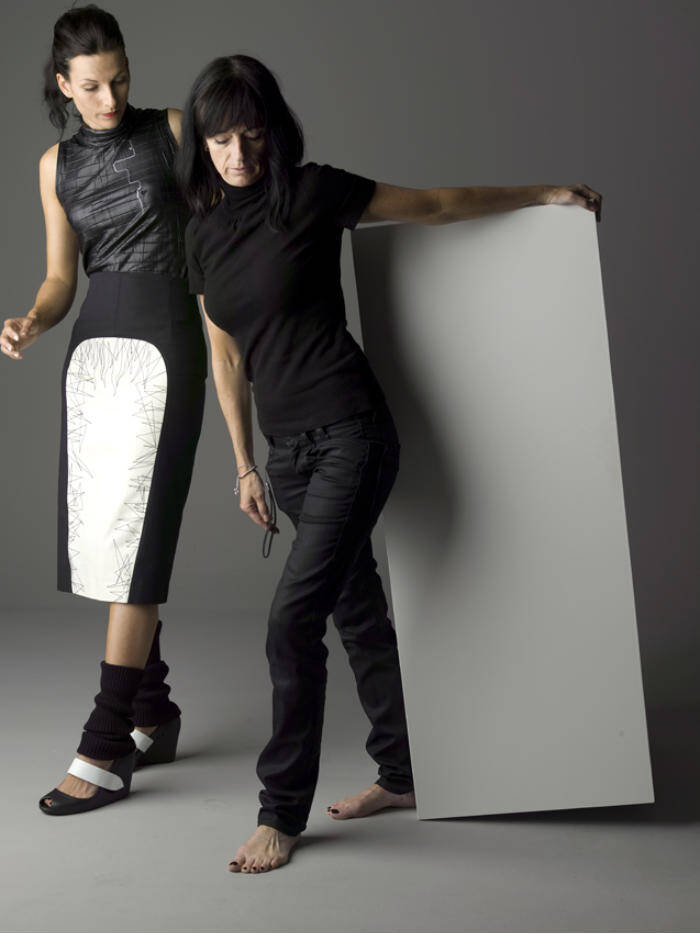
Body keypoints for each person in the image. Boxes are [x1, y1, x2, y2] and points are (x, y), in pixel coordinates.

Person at [178, 53, 602, 874]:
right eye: (221, 139)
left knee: (290, 622)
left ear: (273, 133)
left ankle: (280, 813)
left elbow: (435, 205)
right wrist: (243, 463)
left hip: (352, 432)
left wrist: (544, 193)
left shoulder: (312, 192)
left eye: (251, 135)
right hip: (287, 456)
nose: (237, 154)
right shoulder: (201, 234)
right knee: (357, 611)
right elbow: (224, 358)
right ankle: (403, 772)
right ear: (203, 141)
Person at [0, 5, 206, 814]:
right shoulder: (54, 165)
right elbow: (61, 277)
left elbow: (228, 222)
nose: (110, 98)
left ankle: (105, 743)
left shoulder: (175, 130)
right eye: (91, 86)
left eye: (119, 80)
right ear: (63, 84)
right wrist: (32, 319)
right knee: (102, 542)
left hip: (166, 338)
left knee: (135, 544)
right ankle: (155, 709)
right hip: (93, 353)